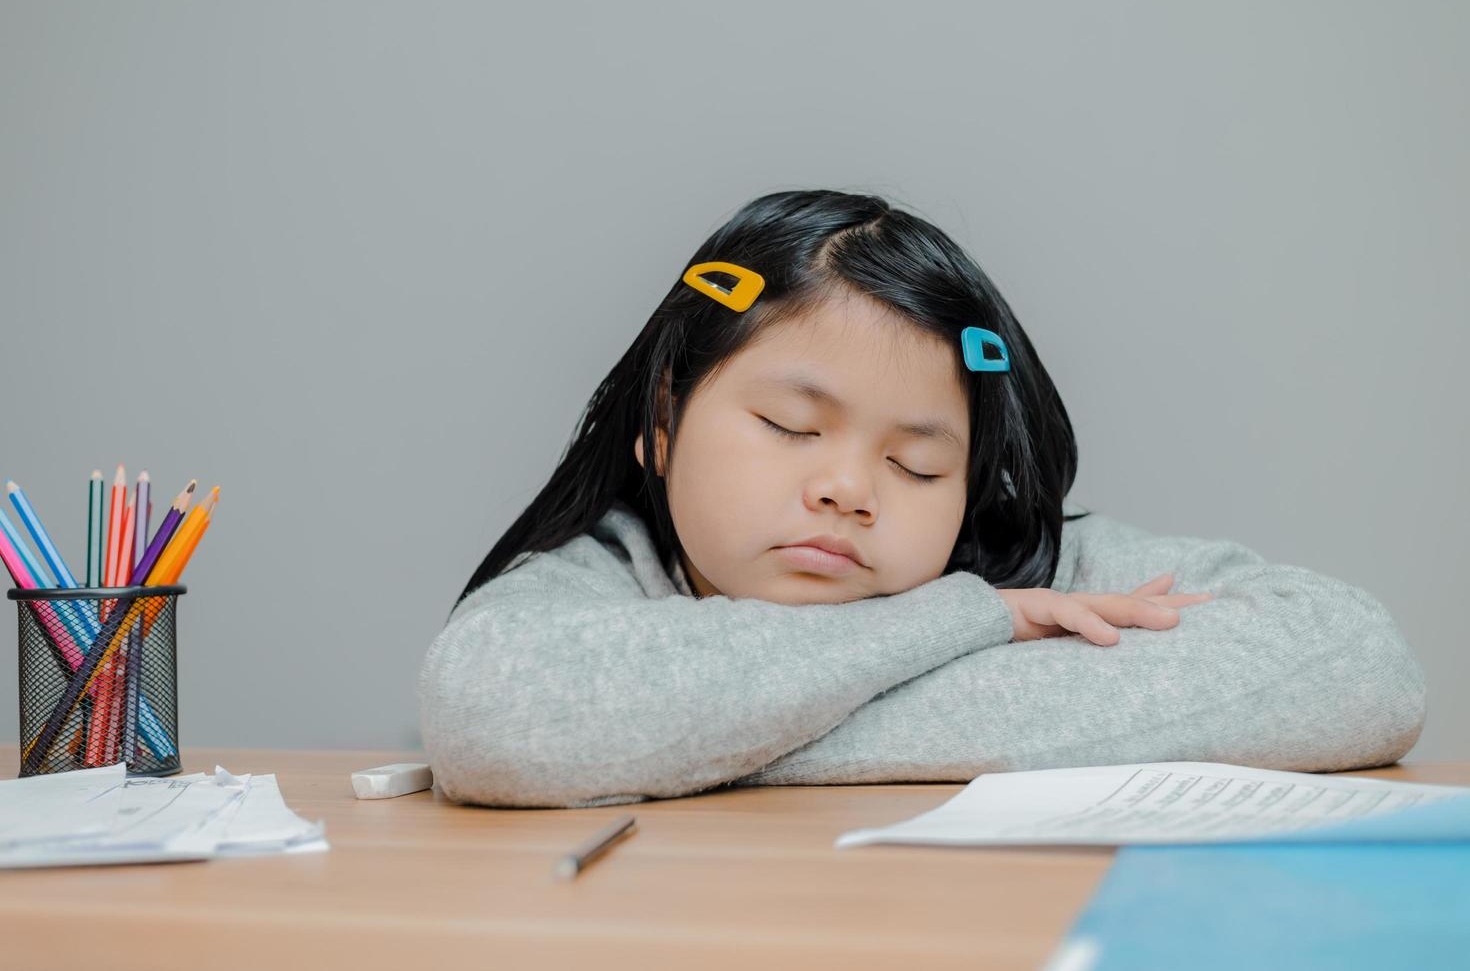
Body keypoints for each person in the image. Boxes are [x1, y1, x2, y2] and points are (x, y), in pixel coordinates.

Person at [417, 189, 1427, 809]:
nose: (848, 487)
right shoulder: (606, 574)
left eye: (918, 466)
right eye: (791, 427)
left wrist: (703, 740)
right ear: (666, 419)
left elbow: (1359, 663)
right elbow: (492, 714)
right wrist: (965, 623)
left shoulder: (1031, 563)